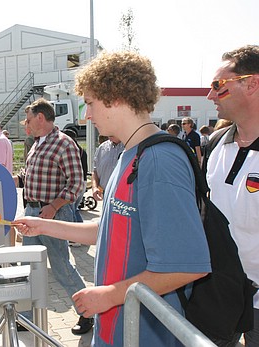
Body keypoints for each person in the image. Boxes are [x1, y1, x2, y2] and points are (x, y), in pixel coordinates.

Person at [15, 51, 210, 347]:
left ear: (115, 97)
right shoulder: (128, 155)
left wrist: (108, 295)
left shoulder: (159, 161)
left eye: (90, 103)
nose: (86, 115)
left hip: (143, 334)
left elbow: (186, 264)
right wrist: (42, 226)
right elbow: (109, 228)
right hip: (117, 329)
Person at [19, 98, 92, 335]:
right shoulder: (38, 143)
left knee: (61, 267)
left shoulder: (64, 144)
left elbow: (76, 184)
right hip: (34, 212)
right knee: (28, 266)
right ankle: (27, 317)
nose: (25, 124)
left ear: (41, 117)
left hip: (53, 214)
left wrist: (53, 206)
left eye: (29, 119)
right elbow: (29, 175)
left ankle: (87, 312)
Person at [206, 44, 259, 347]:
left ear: (252, 83)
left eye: (218, 86)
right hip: (218, 293)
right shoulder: (215, 144)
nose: (210, 95)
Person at [62, 128, 88, 224]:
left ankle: (77, 232)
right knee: (75, 208)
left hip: (76, 183)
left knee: (71, 209)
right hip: (83, 181)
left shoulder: (72, 150)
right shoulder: (82, 150)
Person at [91, 135, 124, 201]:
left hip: (124, 197)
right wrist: (94, 187)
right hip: (106, 196)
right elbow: (95, 172)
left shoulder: (130, 147)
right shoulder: (102, 148)